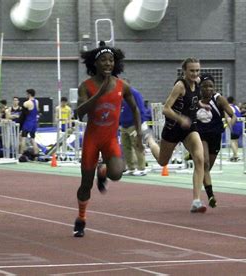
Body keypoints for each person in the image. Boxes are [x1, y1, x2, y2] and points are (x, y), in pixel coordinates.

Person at [73, 41, 143, 237]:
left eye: (111, 60)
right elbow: (79, 113)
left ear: (115, 63)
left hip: (110, 138)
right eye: (103, 60)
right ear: (95, 64)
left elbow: (135, 108)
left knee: (117, 174)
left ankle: (102, 170)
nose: (107, 64)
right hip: (92, 140)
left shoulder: (122, 85)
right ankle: (81, 218)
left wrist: (138, 134)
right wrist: (99, 94)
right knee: (86, 184)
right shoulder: (85, 86)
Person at [145, 57, 207, 213]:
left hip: (189, 128)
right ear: (184, 71)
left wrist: (201, 105)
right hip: (173, 128)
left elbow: (193, 99)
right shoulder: (180, 86)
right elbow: (165, 109)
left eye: (197, 70)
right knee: (162, 161)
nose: (195, 73)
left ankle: (196, 201)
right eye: (191, 70)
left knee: (199, 159)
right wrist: (180, 119)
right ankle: (150, 140)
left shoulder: (198, 82)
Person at [196, 73, 236, 207]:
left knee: (206, 168)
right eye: (204, 87)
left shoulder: (218, 99)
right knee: (205, 163)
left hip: (215, 135)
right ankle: (211, 196)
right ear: (199, 87)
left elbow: (232, 115)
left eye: (210, 87)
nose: (208, 89)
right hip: (200, 135)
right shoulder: (195, 99)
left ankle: (202, 181)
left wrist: (231, 122)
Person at [120, 80, 147, 176]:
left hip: (134, 125)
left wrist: (139, 126)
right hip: (123, 125)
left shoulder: (135, 94)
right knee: (125, 147)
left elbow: (140, 109)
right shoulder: (120, 95)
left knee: (137, 145)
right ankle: (131, 167)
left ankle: (142, 168)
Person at [20, 89, 39, 156]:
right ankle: (36, 154)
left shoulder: (26, 103)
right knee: (33, 138)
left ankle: (21, 154)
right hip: (34, 122)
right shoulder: (36, 101)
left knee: (23, 138)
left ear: (29, 94)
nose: (26, 95)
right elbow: (37, 111)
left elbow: (23, 115)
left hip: (28, 122)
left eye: (27, 94)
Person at [227, 96, 243, 162]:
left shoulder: (228, 107)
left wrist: (230, 126)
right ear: (233, 101)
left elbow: (229, 118)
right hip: (241, 125)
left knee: (232, 141)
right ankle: (234, 155)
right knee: (235, 141)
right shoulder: (236, 107)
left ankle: (236, 155)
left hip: (235, 125)